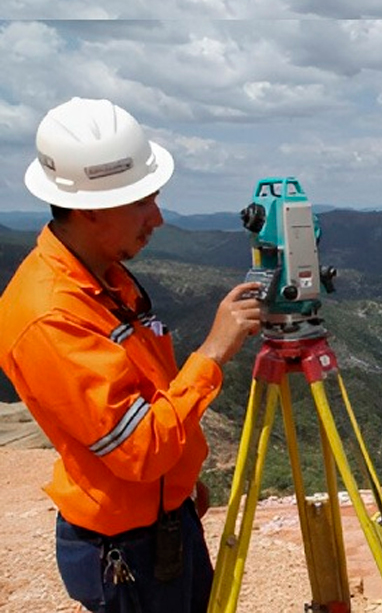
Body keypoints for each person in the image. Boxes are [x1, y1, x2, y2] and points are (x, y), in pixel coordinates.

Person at [0, 97, 263, 612]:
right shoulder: (50, 315)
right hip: (128, 554)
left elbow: (143, 394)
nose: (159, 218)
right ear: (89, 208)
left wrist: (177, 489)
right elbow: (139, 449)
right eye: (142, 202)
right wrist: (211, 353)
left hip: (161, 522)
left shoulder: (102, 276)